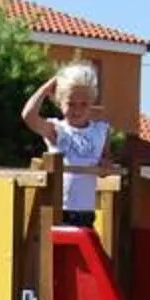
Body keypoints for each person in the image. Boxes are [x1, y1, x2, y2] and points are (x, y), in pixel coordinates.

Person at [18, 61, 111, 227]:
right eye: (70, 104)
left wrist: (105, 166)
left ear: (92, 103)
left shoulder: (100, 131)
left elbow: (105, 161)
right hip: (57, 210)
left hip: (85, 212)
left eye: (84, 104)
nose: (77, 110)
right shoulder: (56, 130)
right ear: (60, 102)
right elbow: (28, 116)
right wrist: (47, 88)